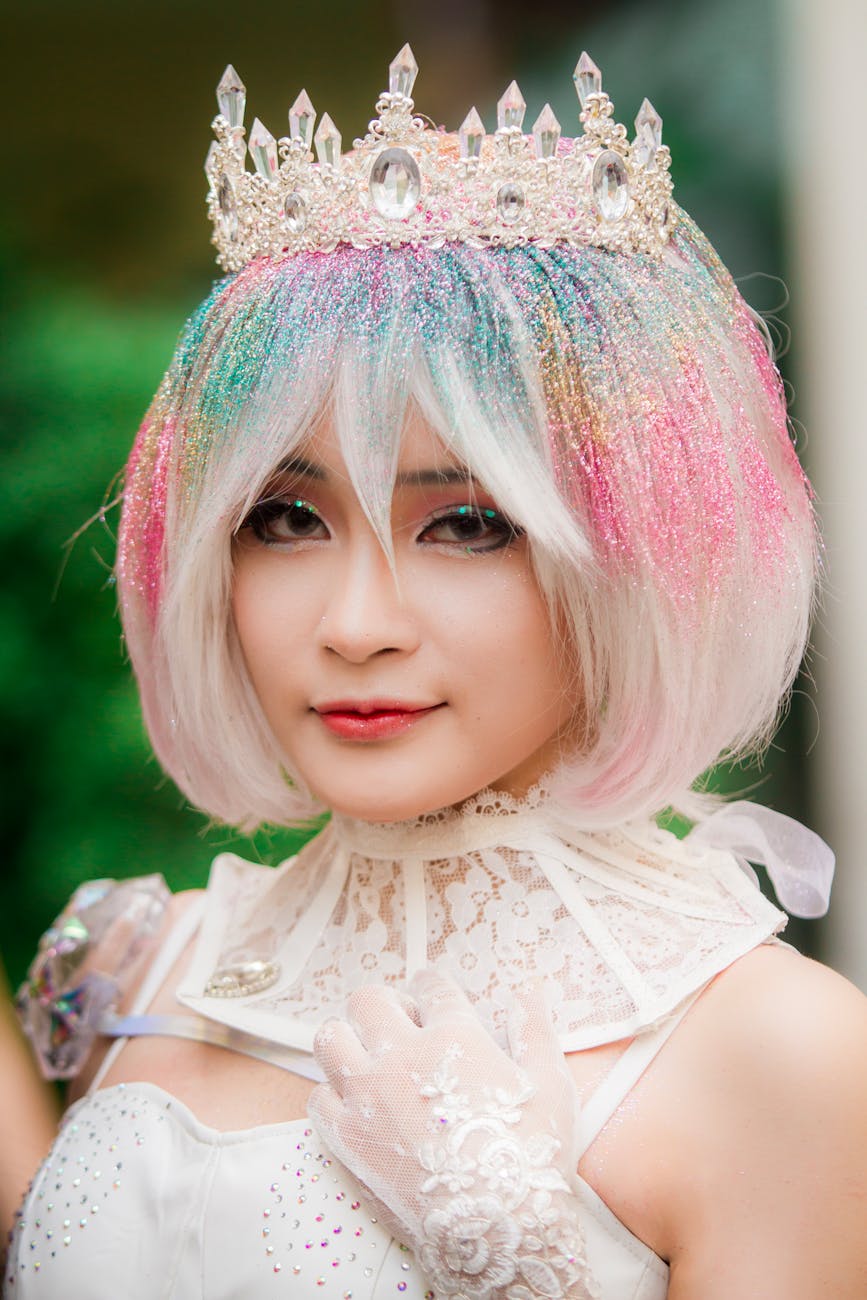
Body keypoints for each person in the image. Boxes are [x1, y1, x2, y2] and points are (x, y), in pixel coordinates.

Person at [6, 46, 867, 1300]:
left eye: (467, 523)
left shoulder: (778, 1051)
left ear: (641, 554)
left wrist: (512, 1259)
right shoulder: (144, 961)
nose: (356, 623)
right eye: (286, 521)